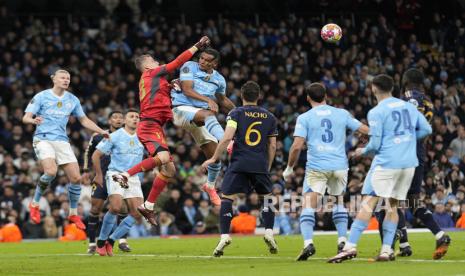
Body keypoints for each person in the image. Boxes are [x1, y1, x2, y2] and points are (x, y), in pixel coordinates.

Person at [328, 74, 432, 263]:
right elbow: (427, 130)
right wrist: (407, 140)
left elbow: (375, 144)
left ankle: (350, 247)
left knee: (368, 202)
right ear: (392, 87)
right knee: (393, 205)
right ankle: (386, 250)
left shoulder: (376, 112)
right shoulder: (409, 107)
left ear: (374, 88)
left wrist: (362, 150)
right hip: (408, 164)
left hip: (387, 163)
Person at [112, 36, 211, 225]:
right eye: (154, 61)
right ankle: (125, 174)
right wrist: (196, 47)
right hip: (149, 124)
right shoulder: (151, 74)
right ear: (148, 66)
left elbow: (165, 95)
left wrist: (172, 86)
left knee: (169, 170)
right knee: (164, 159)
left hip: (155, 125)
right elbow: (176, 63)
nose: (158, 62)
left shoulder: (152, 81)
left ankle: (148, 206)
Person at [282, 83, 369, 261]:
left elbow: (297, 145)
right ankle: (343, 240)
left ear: (307, 98)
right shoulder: (342, 113)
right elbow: (365, 130)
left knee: (308, 204)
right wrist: (367, 139)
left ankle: (308, 243)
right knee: (338, 202)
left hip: (317, 167)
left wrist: (289, 167)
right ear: (326, 96)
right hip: (339, 166)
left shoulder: (305, 117)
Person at [376, 68, 451, 259]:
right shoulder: (428, 101)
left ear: (406, 80)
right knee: (411, 200)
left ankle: (390, 248)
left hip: (404, 151)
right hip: (418, 152)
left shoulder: (410, 97)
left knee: (389, 201)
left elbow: (408, 121)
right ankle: (436, 235)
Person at [23, 69, 109, 230]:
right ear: (53, 79)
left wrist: (101, 130)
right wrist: (33, 120)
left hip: (62, 141)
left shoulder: (72, 100)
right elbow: (25, 117)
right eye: (62, 77)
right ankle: (34, 204)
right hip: (43, 138)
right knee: (50, 171)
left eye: (68, 78)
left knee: (76, 178)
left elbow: (83, 120)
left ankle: (73, 213)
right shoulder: (41, 96)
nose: (66, 80)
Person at [201, 81, 278, 257]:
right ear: (258, 96)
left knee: (227, 198)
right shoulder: (270, 117)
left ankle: (225, 236)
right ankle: (268, 231)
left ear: (241, 96)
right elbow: (272, 146)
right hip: (259, 163)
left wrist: (214, 158)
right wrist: (267, 166)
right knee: (267, 198)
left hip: (239, 163)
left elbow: (227, 137)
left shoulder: (235, 113)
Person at [172, 48, 236, 206]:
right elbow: (187, 90)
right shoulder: (189, 66)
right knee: (209, 115)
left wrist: (238, 112)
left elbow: (222, 98)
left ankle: (210, 186)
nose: (202, 61)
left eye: (207, 60)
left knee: (215, 156)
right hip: (181, 109)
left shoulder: (219, 79)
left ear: (214, 63)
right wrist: (208, 101)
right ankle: (228, 143)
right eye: (201, 58)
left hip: (201, 118)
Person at [93, 110, 145, 256]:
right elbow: (96, 155)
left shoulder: (143, 136)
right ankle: (101, 241)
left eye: (137, 117)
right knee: (115, 207)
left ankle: (111, 240)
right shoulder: (114, 136)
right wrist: (98, 175)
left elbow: (152, 154)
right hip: (116, 173)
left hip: (133, 177)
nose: (135, 119)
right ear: (125, 121)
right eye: (131, 117)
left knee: (138, 212)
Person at [82, 111, 132, 254]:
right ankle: (92, 243)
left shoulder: (128, 137)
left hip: (118, 177)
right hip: (101, 178)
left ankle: (122, 241)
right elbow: (88, 152)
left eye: (120, 118)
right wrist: (86, 170)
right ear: (109, 120)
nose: (118, 120)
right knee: (95, 209)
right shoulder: (98, 136)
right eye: (115, 117)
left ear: (123, 121)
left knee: (121, 208)